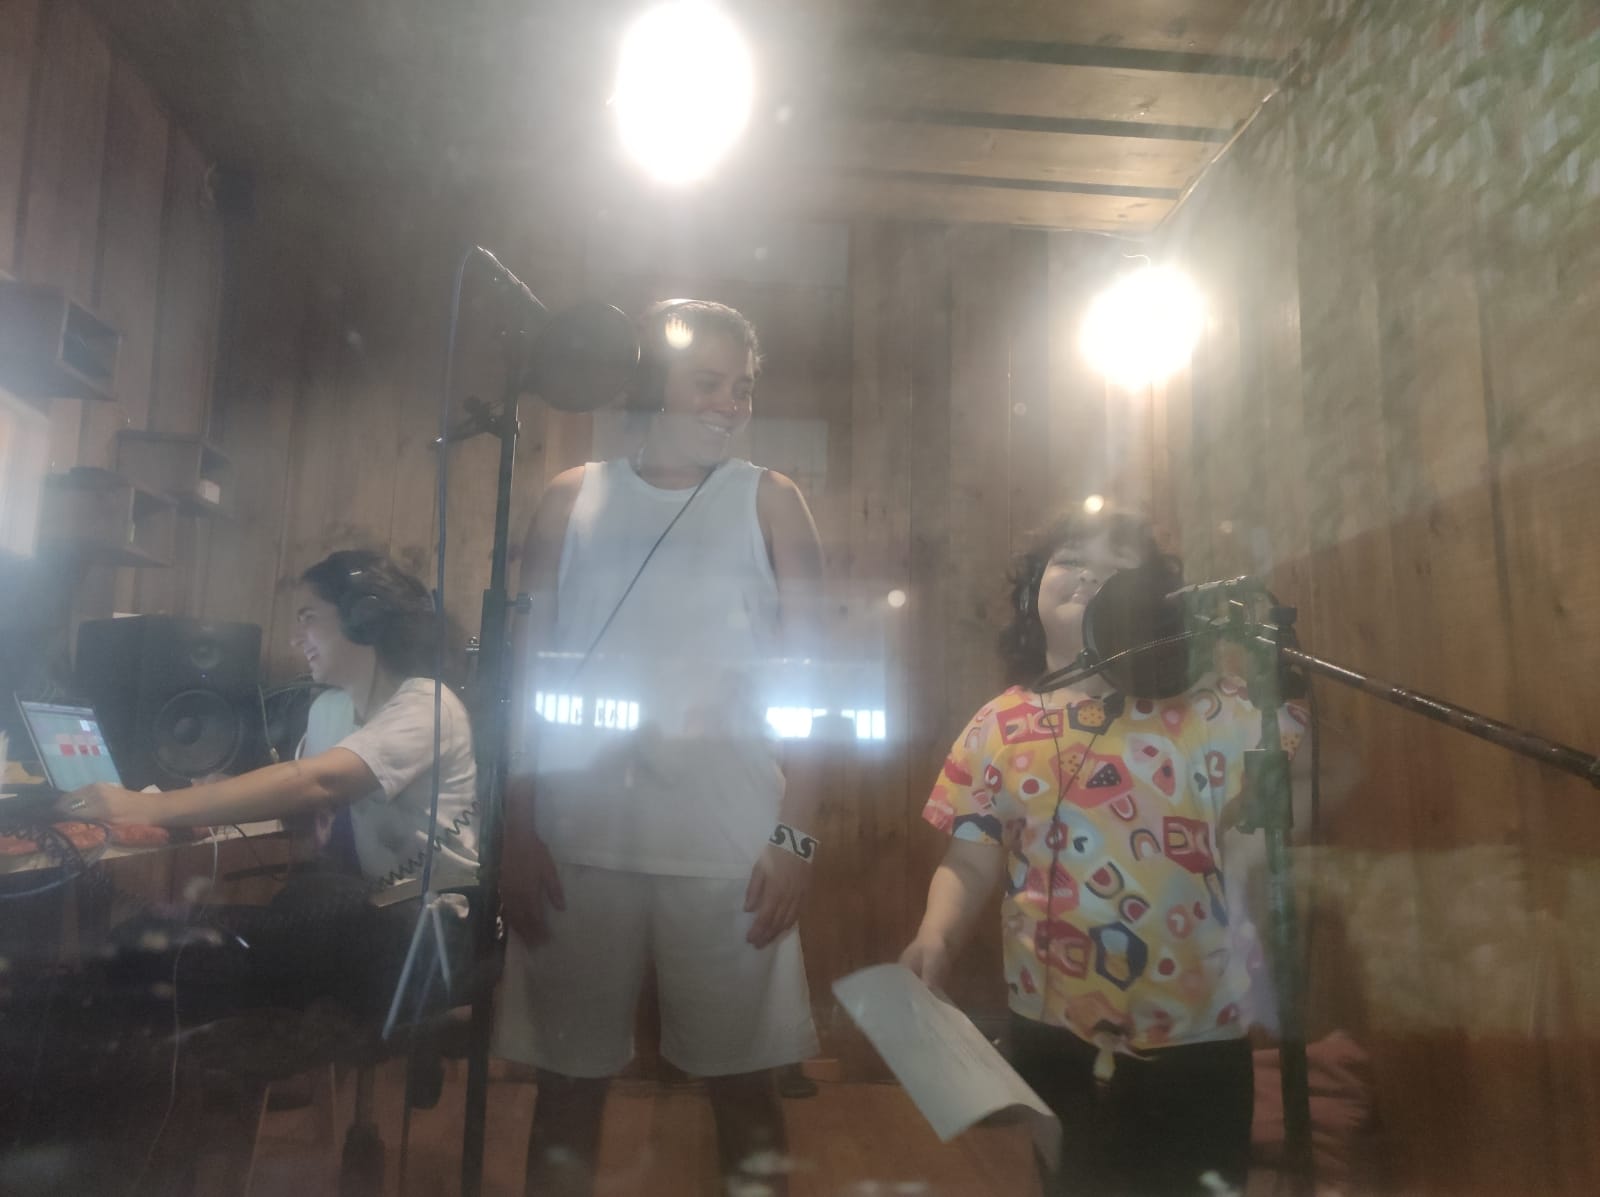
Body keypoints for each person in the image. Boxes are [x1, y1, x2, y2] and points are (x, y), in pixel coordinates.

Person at [495, 299, 826, 1196]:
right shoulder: (571, 496)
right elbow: (526, 674)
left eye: (742, 388)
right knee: (567, 1086)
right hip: (577, 836)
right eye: (707, 383)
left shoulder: (769, 499)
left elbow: (816, 681)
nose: (730, 405)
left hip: (730, 841)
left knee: (744, 1088)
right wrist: (516, 827)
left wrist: (796, 835)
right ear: (648, 384)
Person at [899, 505, 1309, 1197]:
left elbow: (1312, 769)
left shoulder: (1211, 708)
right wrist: (934, 935)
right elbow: (969, 856)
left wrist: (1274, 679)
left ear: (1156, 599)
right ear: (1032, 595)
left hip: (1200, 1033)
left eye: (1117, 564)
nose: (1089, 573)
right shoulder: (997, 724)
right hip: (1051, 1030)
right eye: (1069, 559)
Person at [56, 549, 479, 1015]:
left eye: (309, 618)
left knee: (184, 957)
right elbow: (299, 802)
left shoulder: (429, 706)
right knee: (139, 942)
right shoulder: (330, 711)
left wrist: (142, 806)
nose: (296, 638)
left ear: (364, 618)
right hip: (359, 918)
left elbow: (319, 782)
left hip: (424, 937)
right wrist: (215, 794)